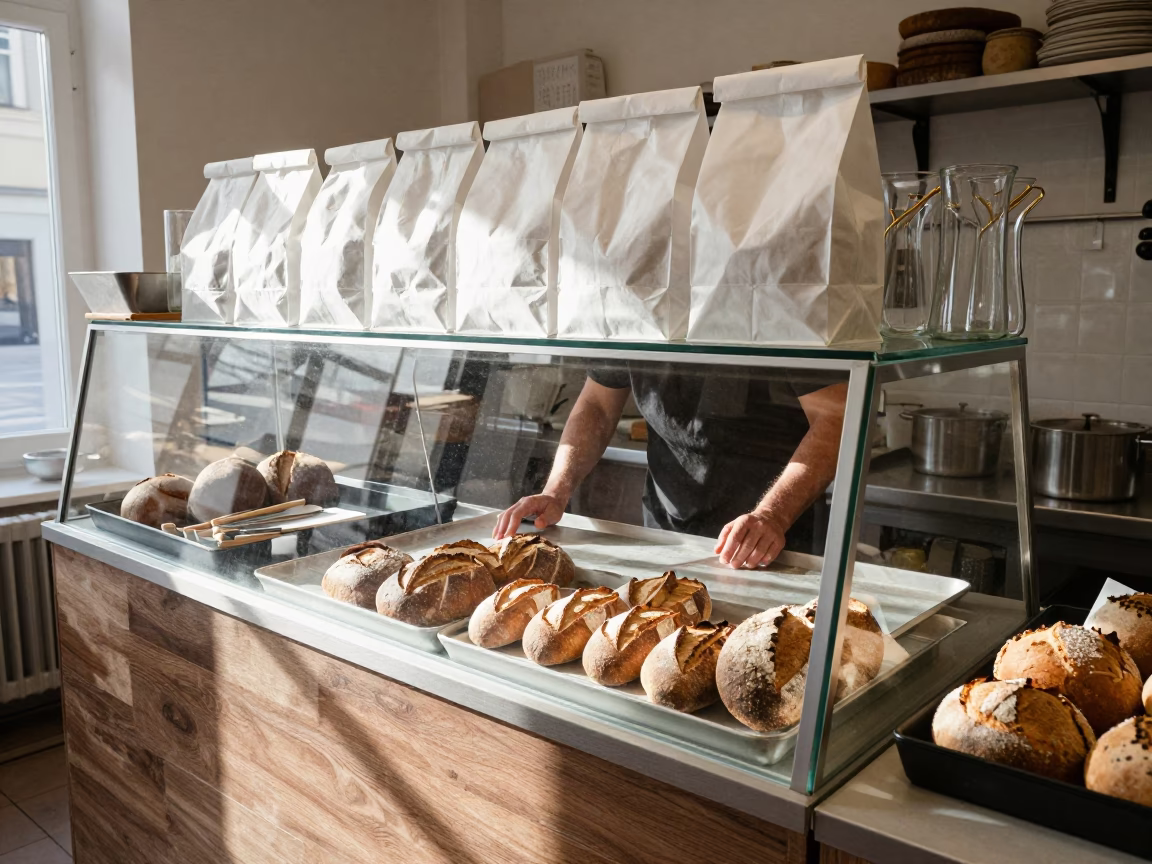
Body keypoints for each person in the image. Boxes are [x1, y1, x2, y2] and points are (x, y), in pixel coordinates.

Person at [493, 361, 848, 570]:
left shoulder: (775, 288)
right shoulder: (633, 294)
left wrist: (772, 516)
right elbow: (598, 405)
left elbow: (836, 419)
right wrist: (556, 490)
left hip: (770, 542)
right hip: (664, 533)